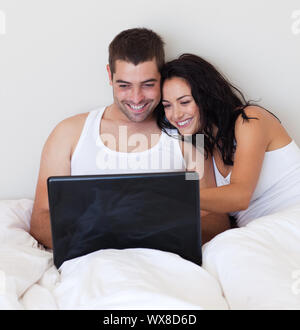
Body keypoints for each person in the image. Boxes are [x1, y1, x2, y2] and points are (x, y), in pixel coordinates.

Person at [30, 29, 230, 249]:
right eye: (124, 85)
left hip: (165, 262)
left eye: (148, 84)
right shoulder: (69, 133)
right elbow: (40, 222)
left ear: (162, 77)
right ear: (110, 75)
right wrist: (110, 236)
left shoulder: (186, 135)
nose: (136, 98)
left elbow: (216, 220)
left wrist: (152, 234)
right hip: (92, 263)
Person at [159, 53, 300, 227]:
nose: (176, 114)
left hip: (292, 217)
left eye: (185, 102)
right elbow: (211, 218)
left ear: (207, 96)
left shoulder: (250, 120)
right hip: (255, 233)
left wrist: (168, 195)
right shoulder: (199, 147)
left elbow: (240, 196)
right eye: (167, 105)